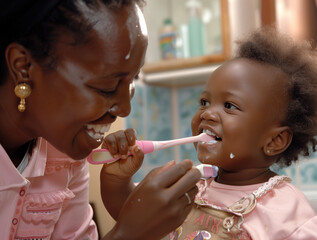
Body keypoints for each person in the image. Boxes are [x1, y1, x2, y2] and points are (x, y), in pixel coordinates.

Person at [0, 0, 200, 239]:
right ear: (23, 67)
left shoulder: (64, 156)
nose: (125, 109)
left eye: (133, 79)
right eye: (106, 88)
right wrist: (130, 232)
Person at [167, 28, 317, 239]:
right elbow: (141, 223)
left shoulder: (288, 214)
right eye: (204, 102)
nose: (207, 113)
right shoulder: (191, 189)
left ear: (275, 140)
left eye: (229, 105)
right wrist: (118, 181)